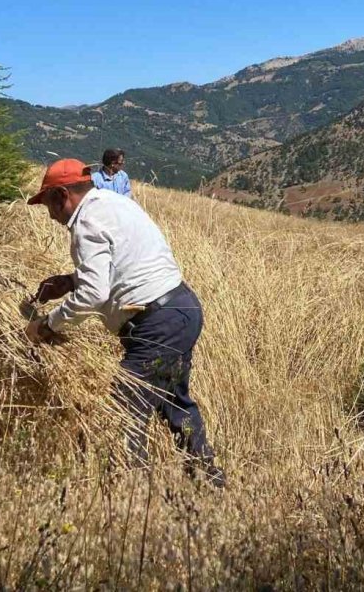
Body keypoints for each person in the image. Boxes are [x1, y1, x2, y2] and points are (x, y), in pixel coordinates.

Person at [25, 158, 224, 486]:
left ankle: (130, 499)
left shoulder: (86, 221)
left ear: (63, 195)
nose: (49, 214)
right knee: (175, 403)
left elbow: (93, 294)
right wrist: (68, 281)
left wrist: (46, 326)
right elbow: (122, 264)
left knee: (124, 406)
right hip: (180, 309)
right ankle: (208, 482)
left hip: (157, 323)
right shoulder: (114, 204)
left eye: (48, 203)